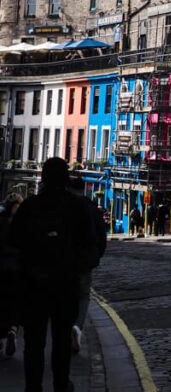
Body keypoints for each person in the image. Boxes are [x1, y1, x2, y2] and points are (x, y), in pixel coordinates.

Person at [11, 158, 97, 392]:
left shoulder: (30, 206)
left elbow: (14, 240)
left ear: (43, 178)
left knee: (34, 344)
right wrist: (77, 269)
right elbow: (90, 244)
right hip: (65, 285)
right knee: (60, 342)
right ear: (66, 178)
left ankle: (33, 387)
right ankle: (61, 384)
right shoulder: (77, 208)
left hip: (34, 286)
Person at [68, 175, 107, 355]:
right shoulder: (91, 208)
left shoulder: (61, 205)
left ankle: (65, 328)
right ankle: (77, 327)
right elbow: (102, 237)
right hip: (85, 261)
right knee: (83, 296)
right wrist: (95, 256)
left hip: (62, 261)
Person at [0, 193, 23, 359]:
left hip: (1, 267)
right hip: (18, 269)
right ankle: (13, 330)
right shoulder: (23, 223)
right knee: (16, 302)